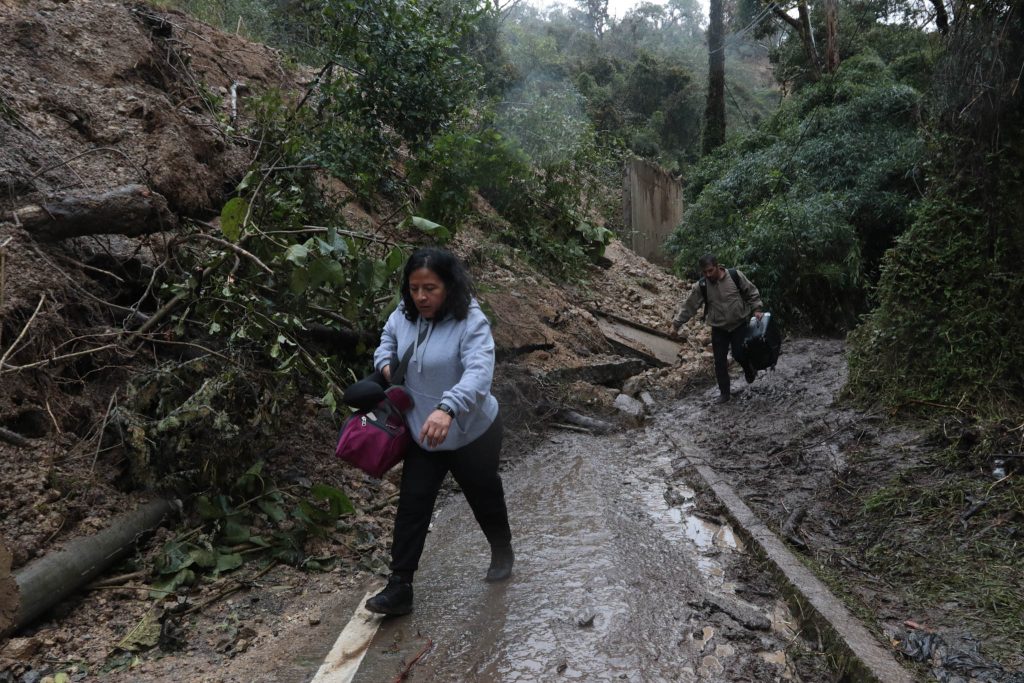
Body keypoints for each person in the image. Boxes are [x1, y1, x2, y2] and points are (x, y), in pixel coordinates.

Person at [364, 247, 514, 616]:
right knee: (413, 504)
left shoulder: (471, 322)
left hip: (471, 431)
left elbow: (479, 373)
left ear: (449, 286)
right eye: (414, 288)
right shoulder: (403, 314)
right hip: (423, 432)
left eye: (430, 288)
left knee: (484, 495)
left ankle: (501, 550)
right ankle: (400, 586)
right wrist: (387, 367)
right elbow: (386, 341)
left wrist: (447, 408)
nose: (421, 297)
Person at [672, 253, 764, 404]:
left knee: (739, 353)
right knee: (719, 362)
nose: (708, 275)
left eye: (710, 270)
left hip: (738, 323)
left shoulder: (734, 276)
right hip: (719, 328)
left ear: (717, 266)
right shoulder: (702, 286)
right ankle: (724, 393)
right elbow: (690, 306)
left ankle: (749, 369)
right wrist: (676, 324)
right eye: (705, 272)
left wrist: (757, 309)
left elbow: (751, 291)